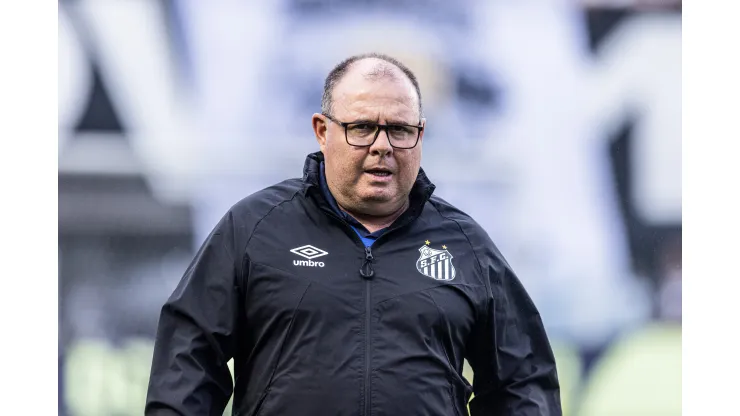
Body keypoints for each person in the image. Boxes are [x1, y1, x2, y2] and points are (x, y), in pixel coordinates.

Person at [145, 53, 561, 416]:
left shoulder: (465, 243)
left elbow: (521, 380)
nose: (382, 146)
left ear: (420, 135)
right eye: (362, 127)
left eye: (400, 130)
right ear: (323, 131)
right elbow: (190, 362)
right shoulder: (254, 228)